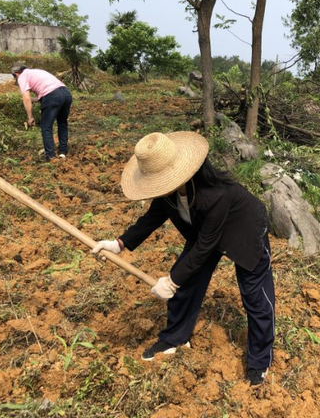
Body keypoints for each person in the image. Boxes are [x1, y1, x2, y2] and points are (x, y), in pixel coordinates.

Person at [91, 132, 275, 386]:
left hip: (244, 229)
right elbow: (152, 218)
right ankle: (175, 337)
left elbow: (203, 247)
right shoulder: (168, 192)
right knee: (186, 281)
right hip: (205, 232)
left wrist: (172, 281)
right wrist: (119, 244)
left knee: (255, 296)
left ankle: (260, 361)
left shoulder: (216, 195)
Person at [11, 64, 73, 161]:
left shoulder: (22, 76)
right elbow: (46, 92)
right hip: (66, 93)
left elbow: (26, 98)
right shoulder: (36, 72)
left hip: (53, 96)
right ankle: (63, 152)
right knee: (62, 123)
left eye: (15, 78)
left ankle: (50, 156)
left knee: (46, 127)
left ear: (16, 74)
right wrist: (34, 99)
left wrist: (30, 117)